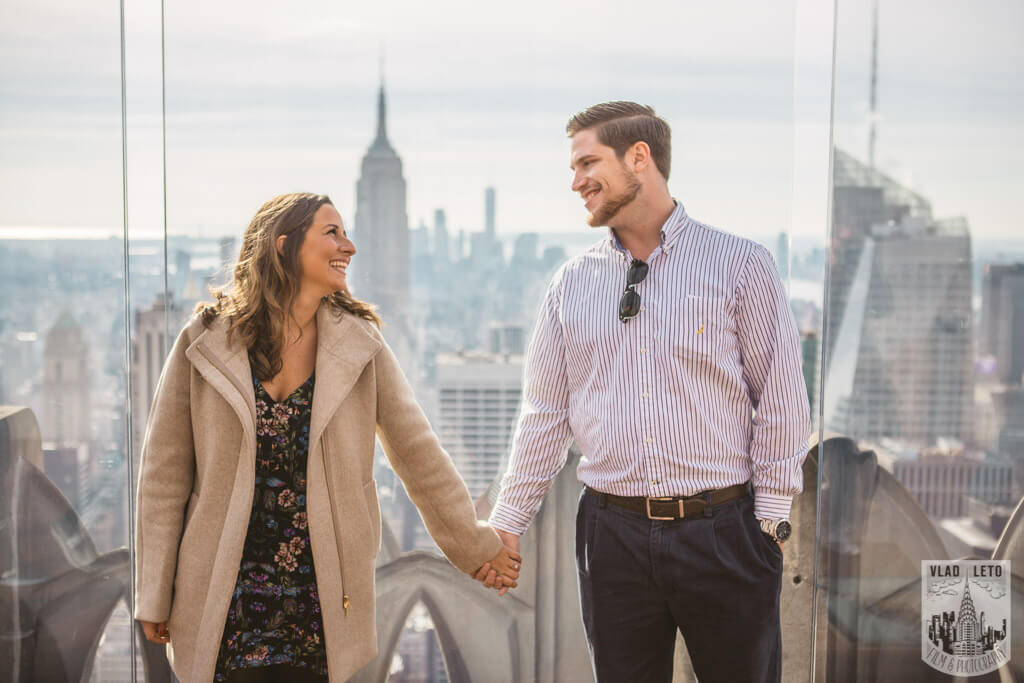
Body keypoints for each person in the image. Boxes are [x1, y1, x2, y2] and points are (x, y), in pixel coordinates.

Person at [134, 192, 521, 683]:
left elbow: (417, 454)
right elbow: (163, 475)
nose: (350, 246)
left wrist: (475, 546)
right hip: (221, 593)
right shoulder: (205, 340)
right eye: (332, 233)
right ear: (283, 246)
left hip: (320, 596)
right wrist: (155, 591)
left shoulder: (360, 343)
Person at [485, 102, 811, 682]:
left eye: (588, 162)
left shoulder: (740, 265)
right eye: (573, 167)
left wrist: (768, 527)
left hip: (724, 531)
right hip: (612, 537)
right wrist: (509, 522)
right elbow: (544, 415)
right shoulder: (570, 284)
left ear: (640, 158)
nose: (576, 181)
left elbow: (781, 402)